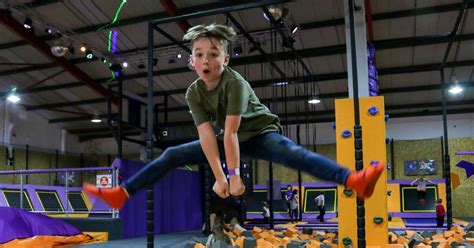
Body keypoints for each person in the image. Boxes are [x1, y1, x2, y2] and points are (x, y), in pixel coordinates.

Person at [82, 23, 384, 210]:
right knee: (173, 153)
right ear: (191, 61)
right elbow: (206, 136)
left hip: (259, 133)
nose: (206, 60)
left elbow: (229, 133)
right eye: (199, 54)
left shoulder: (234, 83)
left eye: (213, 54)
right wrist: (219, 178)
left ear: (225, 59)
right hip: (229, 139)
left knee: (294, 153)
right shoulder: (193, 92)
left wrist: (235, 177)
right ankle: (122, 194)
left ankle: (352, 179)